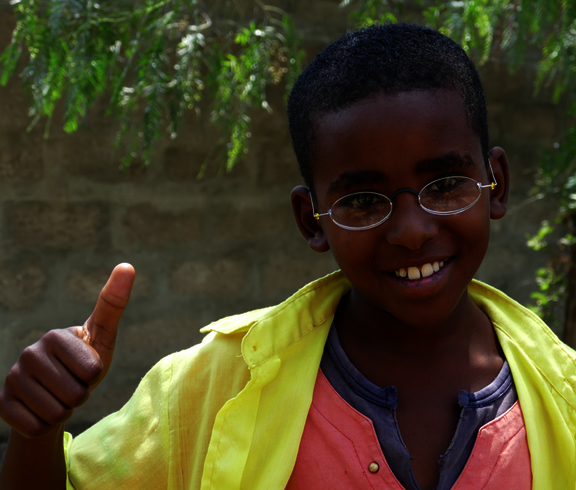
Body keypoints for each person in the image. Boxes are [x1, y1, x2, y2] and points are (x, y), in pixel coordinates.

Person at [1, 22, 575, 490]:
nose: (412, 231)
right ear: (312, 221)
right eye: (362, 200)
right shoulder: (215, 386)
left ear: (495, 184)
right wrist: (38, 435)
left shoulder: (565, 396)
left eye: (445, 184)